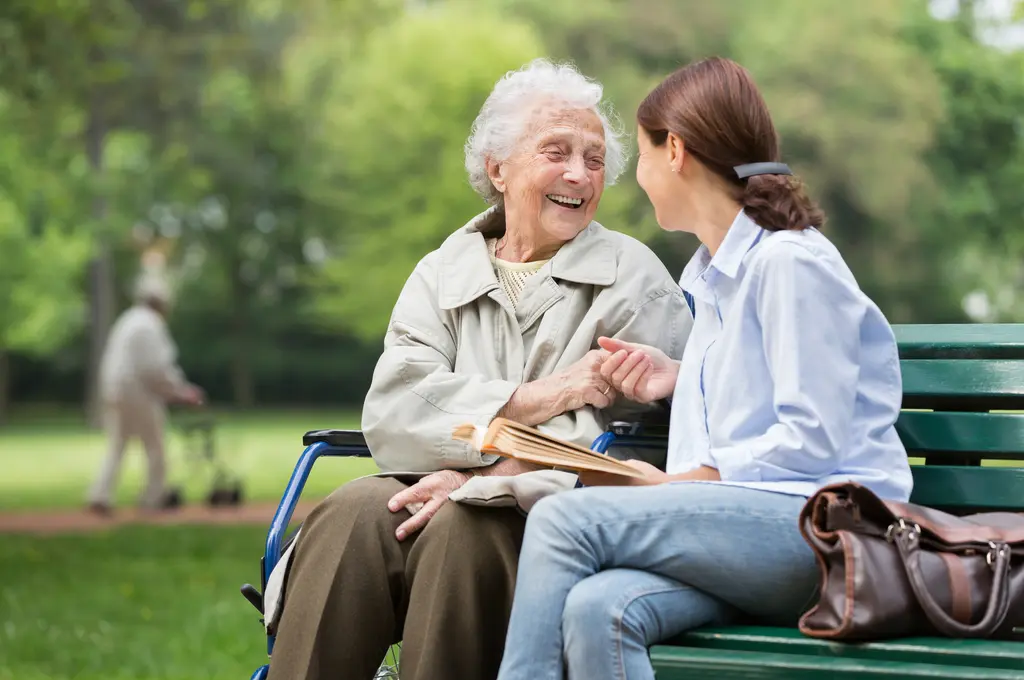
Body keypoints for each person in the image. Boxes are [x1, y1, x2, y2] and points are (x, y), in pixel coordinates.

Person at [265, 59, 692, 680]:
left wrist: (482, 475)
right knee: (351, 514)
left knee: (462, 531)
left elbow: (637, 440)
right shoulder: (441, 273)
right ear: (498, 167)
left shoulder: (634, 279)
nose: (579, 174)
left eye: (594, 160)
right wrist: (544, 396)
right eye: (557, 152)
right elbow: (395, 410)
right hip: (431, 480)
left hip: (552, 511)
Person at [495, 57, 915, 680]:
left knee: (564, 518)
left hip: (825, 535)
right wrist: (680, 374)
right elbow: (764, 392)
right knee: (597, 608)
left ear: (676, 152)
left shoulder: (790, 263)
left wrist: (682, 482)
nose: (633, 178)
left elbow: (813, 437)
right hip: (756, 538)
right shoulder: (715, 276)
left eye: (638, 156)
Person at [87, 272, 204, 514]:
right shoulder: (151, 325)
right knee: (156, 445)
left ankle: (101, 494)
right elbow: (156, 369)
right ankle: (154, 498)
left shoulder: (128, 319)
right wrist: (182, 392)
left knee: (117, 443)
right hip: (138, 392)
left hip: (113, 389)